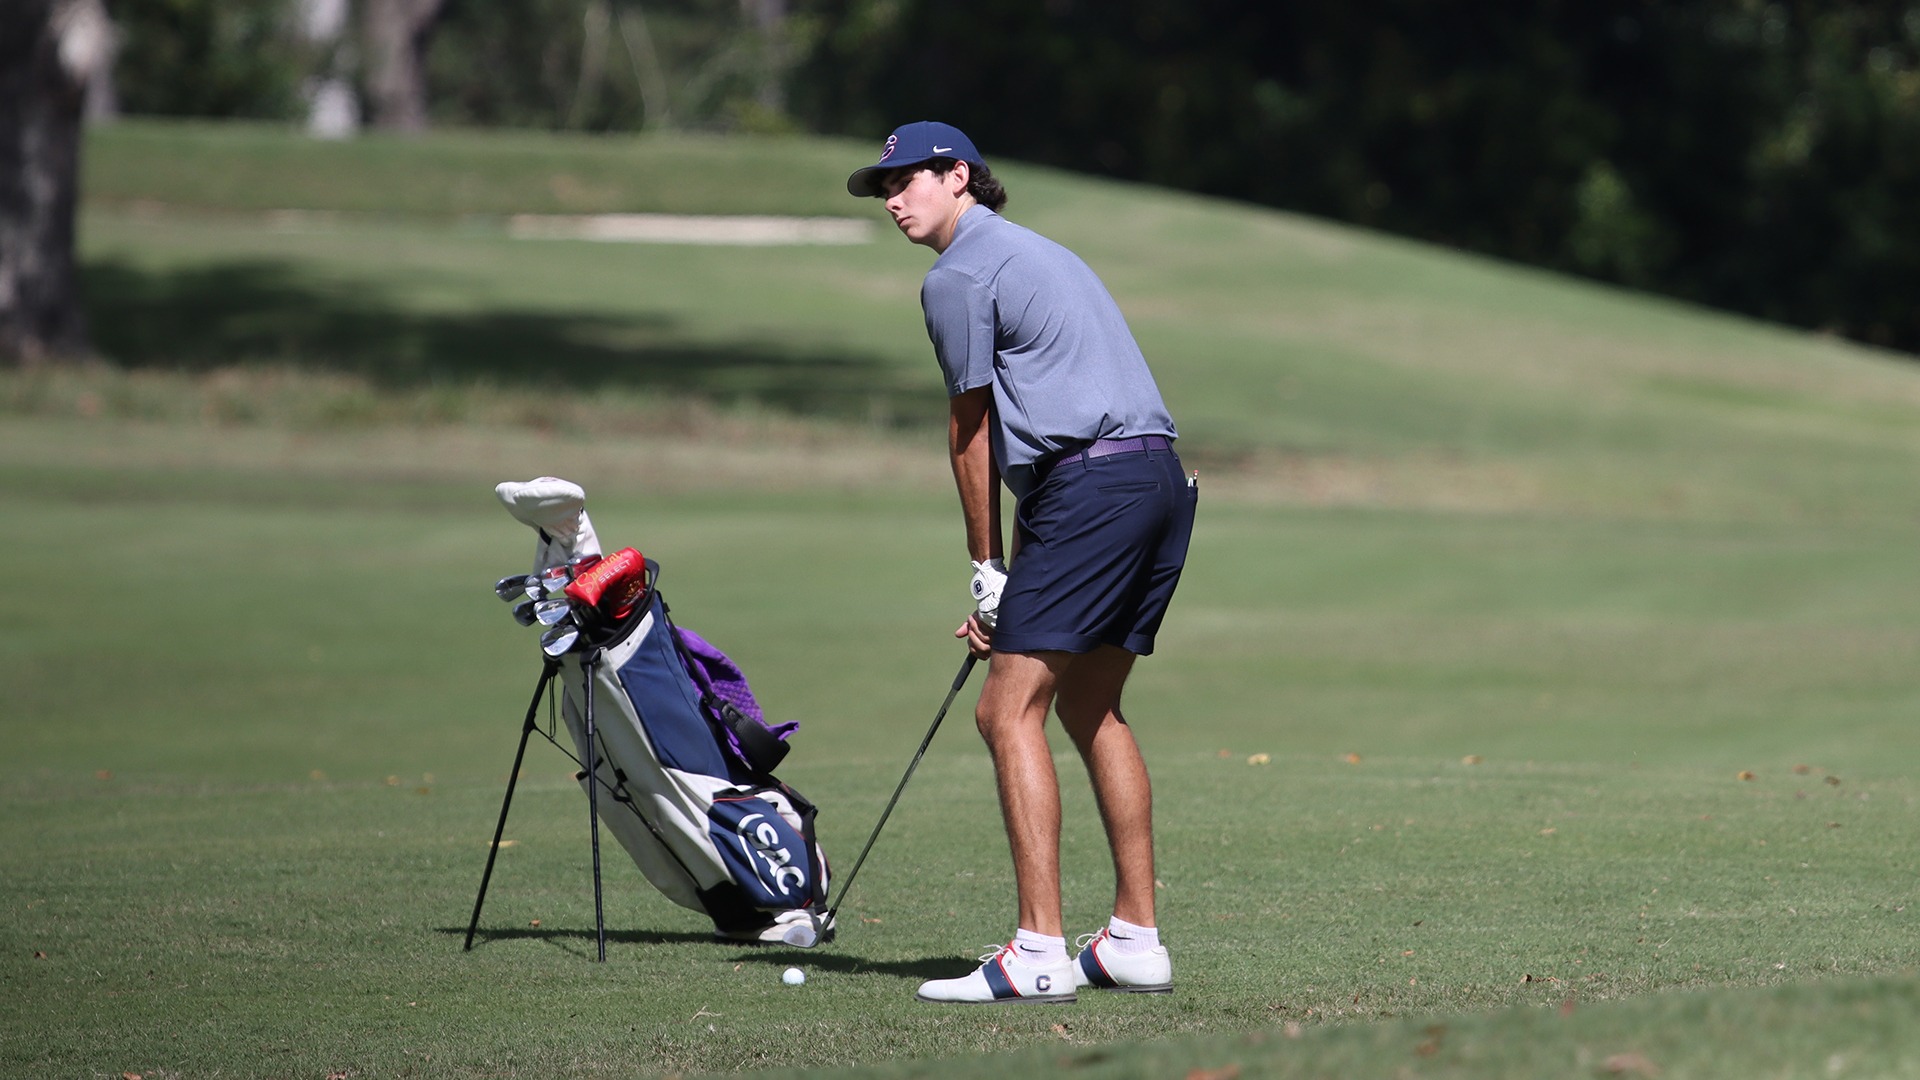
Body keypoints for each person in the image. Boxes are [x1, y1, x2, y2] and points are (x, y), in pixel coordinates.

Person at [847, 122, 1198, 1004]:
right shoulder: (1039, 252)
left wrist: (987, 569)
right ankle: (1133, 940)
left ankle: (1038, 953)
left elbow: (971, 428)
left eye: (908, 179)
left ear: (958, 176)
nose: (893, 199)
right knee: (1087, 701)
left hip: (1089, 488)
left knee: (1006, 712)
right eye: (882, 186)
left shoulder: (959, 274)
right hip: (1155, 479)